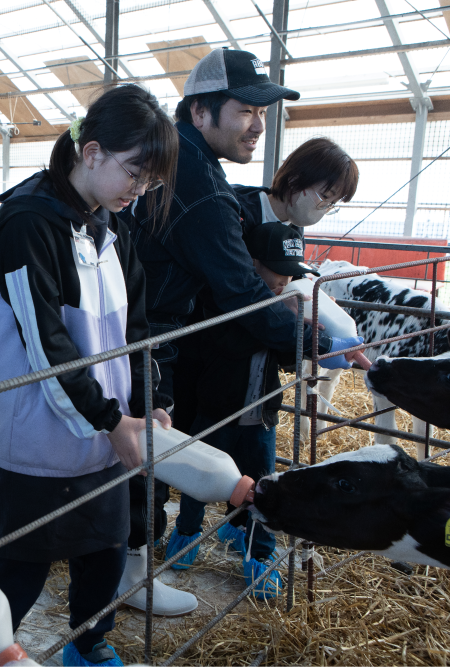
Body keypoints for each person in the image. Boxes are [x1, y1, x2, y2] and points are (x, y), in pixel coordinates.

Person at [124, 49, 372, 597]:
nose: (258, 125)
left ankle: (143, 566)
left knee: (167, 453)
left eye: (264, 113)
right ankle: (133, 576)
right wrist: (321, 345)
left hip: (172, 342)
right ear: (199, 113)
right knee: (153, 455)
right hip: (158, 342)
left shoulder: (189, 166)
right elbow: (243, 294)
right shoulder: (211, 191)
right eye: (245, 111)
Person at [0, 84, 198, 667]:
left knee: (105, 549)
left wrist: (154, 400)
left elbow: (138, 329)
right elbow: (47, 345)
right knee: (22, 563)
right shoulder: (27, 224)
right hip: (41, 435)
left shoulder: (112, 227)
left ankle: (88, 644)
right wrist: (111, 418)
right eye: (136, 172)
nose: (141, 189)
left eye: (152, 181)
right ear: (93, 152)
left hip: (112, 430)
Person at [164, 223, 326, 598]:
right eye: (277, 271)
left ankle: (260, 556)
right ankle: (187, 537)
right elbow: (223, 344)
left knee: (264, 485)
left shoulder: (278, 308)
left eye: (291, 275)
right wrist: (276, 323)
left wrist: (292, 331)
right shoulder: (220, 300)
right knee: (196, 479)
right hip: (217, 412)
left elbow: (288, 359)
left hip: (261, 419)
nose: (285, 281)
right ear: (251, 264)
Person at [234, 137, 359, 236]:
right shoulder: (235, 209)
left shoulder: (295, 229)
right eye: (325, 196)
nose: (325, 208)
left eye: (332, 203)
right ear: (294, 180)